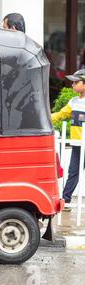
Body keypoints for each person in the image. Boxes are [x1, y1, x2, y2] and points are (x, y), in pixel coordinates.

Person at [52, 69, 85, 210]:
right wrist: (42, 118)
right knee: (73, 173)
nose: (72, 85)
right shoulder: (73, 102)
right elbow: (59, 115)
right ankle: (66, 201)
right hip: (77, 145)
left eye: (76, 82)